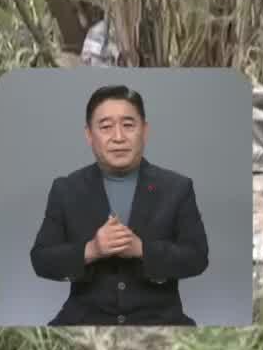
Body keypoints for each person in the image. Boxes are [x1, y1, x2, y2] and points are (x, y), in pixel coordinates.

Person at [29, 84, 210, 326]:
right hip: (84, 318)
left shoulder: (177, 188)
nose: (118, 137)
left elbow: (197, 257)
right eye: (105, 127)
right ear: (89, 134)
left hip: (159, 318)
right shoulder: (66, 189)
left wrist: (143, 250)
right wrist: (91, 250)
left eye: (128, 125)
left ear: (144, 131)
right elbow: (41, 259)